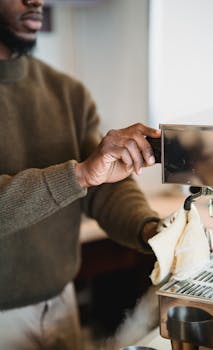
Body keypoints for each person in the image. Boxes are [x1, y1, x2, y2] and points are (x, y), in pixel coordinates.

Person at [0, 0, 161, 349]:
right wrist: (80, 175)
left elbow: (103, 186)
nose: (36, 2)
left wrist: (152, 230)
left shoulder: (67, 93)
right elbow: (86, 176)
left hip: (61, 304)